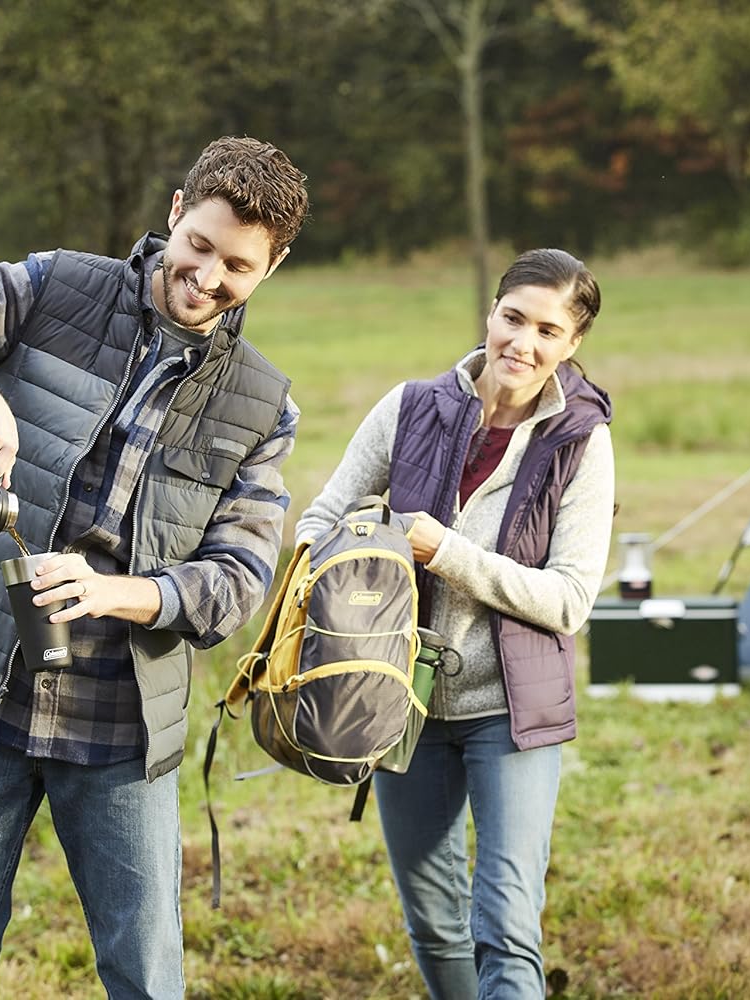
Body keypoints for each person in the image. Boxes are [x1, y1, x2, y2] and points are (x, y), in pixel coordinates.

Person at [0, 135, 310, 999]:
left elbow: (238, 581)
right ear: (176, 211)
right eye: (199, 246)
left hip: (121, 720)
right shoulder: (56, 287)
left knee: (145, 980)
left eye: (238, 267)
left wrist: (116, 593)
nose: (207, 278)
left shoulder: (264, 405)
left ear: (273, 266)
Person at [294, 248, 614, 999]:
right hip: (398, 703)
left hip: (510, 710)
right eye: (513, 318)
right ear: (490, 313)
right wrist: (363, 562)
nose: (522, 343)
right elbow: (317, 525)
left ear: (572, 343)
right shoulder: (411, 408)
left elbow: (570, 600)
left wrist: (447, 552)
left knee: (507, 927)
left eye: (547, 331)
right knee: (435, 925)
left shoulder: (580, 441)